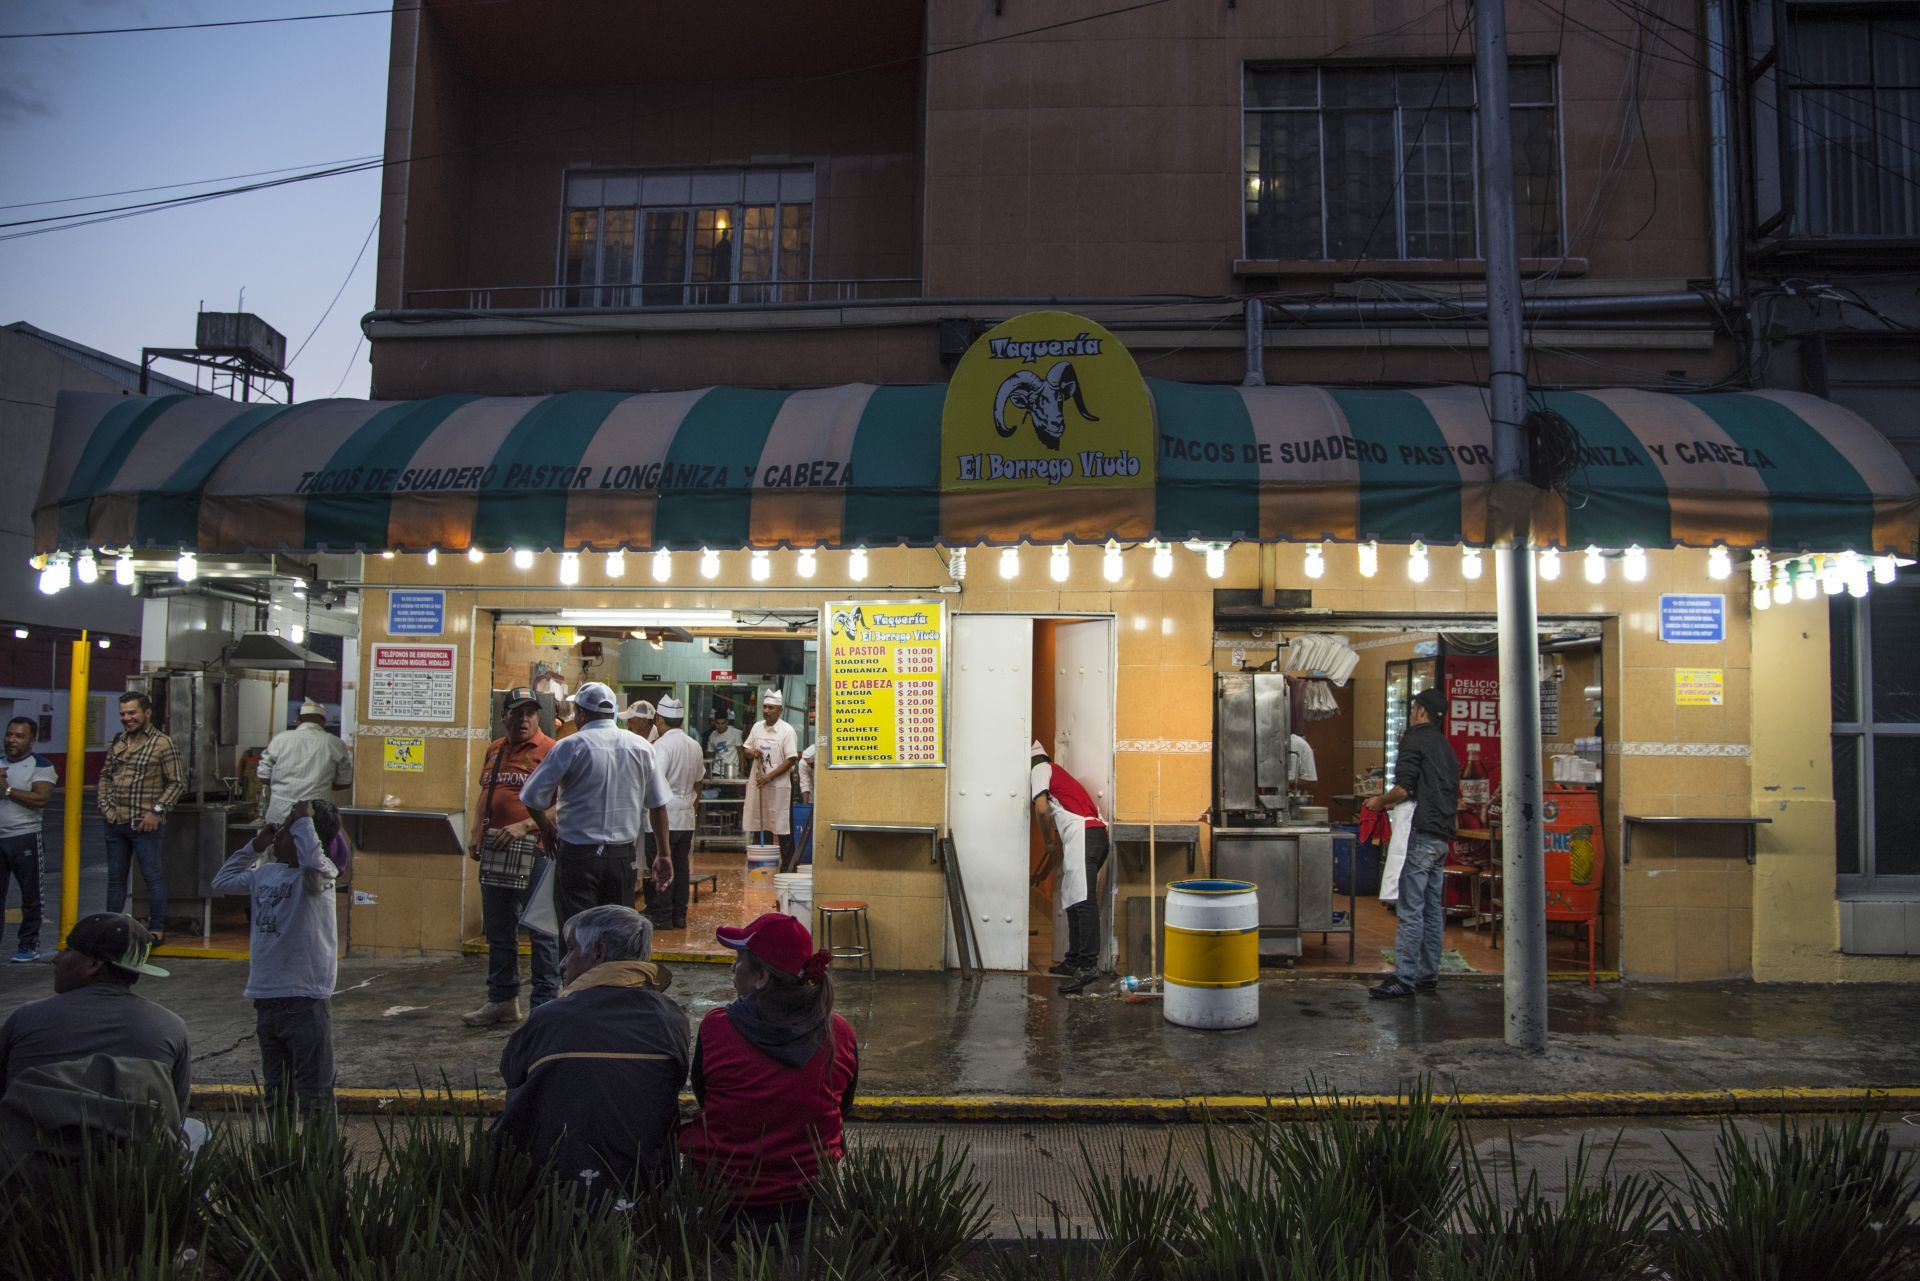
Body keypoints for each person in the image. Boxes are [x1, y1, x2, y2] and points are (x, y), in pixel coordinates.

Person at [679, 912, 858, 1240]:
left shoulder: (717, 1028)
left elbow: (707, 1099)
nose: (733, 969)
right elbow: (842, 1108)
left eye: (739, 961)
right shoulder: (840, 1033)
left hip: (725, 1207)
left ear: (761, 977)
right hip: (809, 1205)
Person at [495, 905, 688, 1196]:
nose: (563, 963)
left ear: (598, 953)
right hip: (645, 1186)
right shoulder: (671, 1018)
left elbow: (512, 1073)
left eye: (571, 950)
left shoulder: (549, 1018)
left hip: (555, 1188)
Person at [211, 799, 343, 1120]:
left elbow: (312, 860)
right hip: (266, 998)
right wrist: (255, 846)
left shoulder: (319, 877)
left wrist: (303, 821)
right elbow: (221, 881)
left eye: (286, 830)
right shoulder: (266, 873)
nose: (278, 835)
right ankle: (281, 1149)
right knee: (277, 1093)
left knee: (314, 1095)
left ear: (305, 837)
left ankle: (319, 1152)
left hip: (304, 1000)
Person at [518, 681, 673, 935]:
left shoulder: (570, 746)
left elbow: (531, 796)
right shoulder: (641, 747)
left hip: (577, 858)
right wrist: (663, 854)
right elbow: (658, 806)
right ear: (613, 712)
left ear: (581, 713)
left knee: (577, 934)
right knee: (616, 935)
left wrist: (546, 829)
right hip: (621, 859)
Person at [0, 914, 188, 1115]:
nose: (56, 959)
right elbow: (177, 1112)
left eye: (68, 950)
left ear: (94, 965)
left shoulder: (27, 1017)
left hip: (34, 1134)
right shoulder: (171, 1027)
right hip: (133, 1136)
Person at [464, 687, 559, 1027]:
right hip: (497, 850)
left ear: (538, 716)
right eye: (517, 713)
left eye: (530, 713)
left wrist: (526, 826)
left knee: (542, 930)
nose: (524, 719)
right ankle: (502, 1000)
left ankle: (546, 1006)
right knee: (499, 929)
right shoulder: (495, 749)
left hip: (537, 851)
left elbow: (563, 804)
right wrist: (477, 831)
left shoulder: (552, 750)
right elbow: (486, 793)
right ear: (504, 716)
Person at [1366, 687, 1459, 1000]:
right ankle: (1427, 975)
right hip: (1441, 836)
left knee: (1410, 909)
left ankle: (1404, 978)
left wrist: (1380, 801)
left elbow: (1404, 788)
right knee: (1432, 910)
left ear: (1421, 712)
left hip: (1420, 835)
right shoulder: (1446, 746)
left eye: (1413, 708)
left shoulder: (1414, 739)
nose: (1410, 713)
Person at [98, 691, 184, 943]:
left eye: (132, 712)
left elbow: (178, 782)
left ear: (147, 713)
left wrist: (156, 812)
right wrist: (105, 806)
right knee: (115, 879)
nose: (127, 718)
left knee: (152, 877)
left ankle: (156, 929)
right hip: (115, 822)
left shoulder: (162, 743)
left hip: (144, 826)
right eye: (123, 714)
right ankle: (111, 929)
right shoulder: (118, 741)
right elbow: (105, 776)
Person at [1028, 743, 1110, 994]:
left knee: (1083, 902)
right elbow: (1061, 845)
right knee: (1075, 900)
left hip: (1085, 835)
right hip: (1089, 837)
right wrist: (1042, 874)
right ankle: (1074, 960)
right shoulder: (1058, 780)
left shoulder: (1041, 768)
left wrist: (1047, 840)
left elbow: (1042, 810)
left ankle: (1088, 966)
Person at [644, 696, 703, 931]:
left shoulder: (661, 746)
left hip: (663, 819)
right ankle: (679, 915)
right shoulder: (694, 745)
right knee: (680, 868)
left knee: (661, 866)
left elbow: (655, 782)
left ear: (659, 719)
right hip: (686, 817)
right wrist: (691, 804)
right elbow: (699, 781)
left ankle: (661, 915)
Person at [1, 716, 56, 962]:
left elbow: (41, 798)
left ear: (31, 741)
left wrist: (7, 790)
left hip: (25, 837)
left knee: (31, 896)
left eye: (19, 736)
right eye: (9, 734)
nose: (12, 740)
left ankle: (28, 945)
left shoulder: (41, 765)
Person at [256, 698, 354, 826]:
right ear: (323, 722)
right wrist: (320, 785)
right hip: (317, 813)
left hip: (280, 812)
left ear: (298, 721)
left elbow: (263, 775)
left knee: (278, 839)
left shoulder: (280, 739)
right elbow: (345, 782)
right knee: (316, 839)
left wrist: (283, 788)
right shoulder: (334, 742)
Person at [742, 690, 801, 872]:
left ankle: (788, 867)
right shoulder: (757, 727)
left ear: (780, 711)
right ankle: (763, 863)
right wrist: (751, 752)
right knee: (760, 822)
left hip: (778, 787)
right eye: (765, 707)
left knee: (782, 826)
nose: (766, 711)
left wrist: (769, 777)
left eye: (771, 708)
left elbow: (791, 759)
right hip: (759, 784)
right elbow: (746, 748)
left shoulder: (787, 731)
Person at [796, 741, 817, 806]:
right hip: (811, 793)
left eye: (811, 764)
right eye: (808, 764)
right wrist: (805, 807)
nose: (810, 765)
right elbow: (805, 784)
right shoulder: (802, 763)